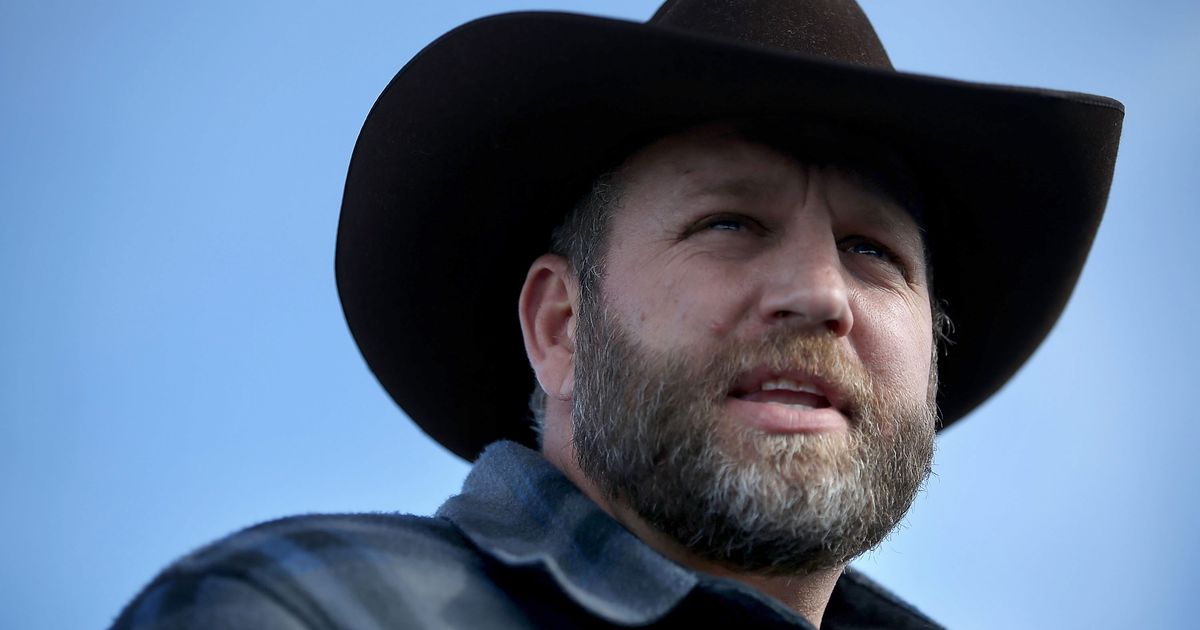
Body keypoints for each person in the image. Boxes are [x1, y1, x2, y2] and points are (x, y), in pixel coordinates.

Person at [110, 1, 1123, 628]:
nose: (820, 293)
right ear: (560, 325)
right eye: (730, 223)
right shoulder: (305, 615)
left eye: (873, 251)